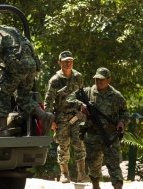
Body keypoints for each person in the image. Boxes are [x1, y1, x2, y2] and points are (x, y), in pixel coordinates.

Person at [0, 19, 54, 136]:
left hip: (16, 66)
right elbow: (29, 45)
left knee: (2, 92)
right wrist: (36, 66)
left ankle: (2, 129)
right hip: (31, 66)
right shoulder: (12, 29)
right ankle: (44, 115)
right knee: (23, 97)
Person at [68, 67, 129, 189]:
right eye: (96, 79)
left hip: (110, 136)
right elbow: (69, 98)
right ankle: (95, 185)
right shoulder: (88, 92)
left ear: (109, 80)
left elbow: (125, 112)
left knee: (114, 164)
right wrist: (81, 105)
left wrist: (122, 122)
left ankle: (118, 186)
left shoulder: (116, 96)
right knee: (93, 165)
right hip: (92, 135)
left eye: (101, 79)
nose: (98, 82)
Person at [44, 51, 88, 183]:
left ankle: (82, 174)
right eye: (65, 61)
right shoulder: (55, 80)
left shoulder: (78, 76)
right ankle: (64, 174)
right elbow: (48, 101)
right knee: (63, 145)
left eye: (70, 61)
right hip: (61, 118)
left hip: (77, 116)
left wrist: (85, 109)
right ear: (59, 63)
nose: (68, 63)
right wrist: (50, 121)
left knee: (79, 143)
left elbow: (83, 95)